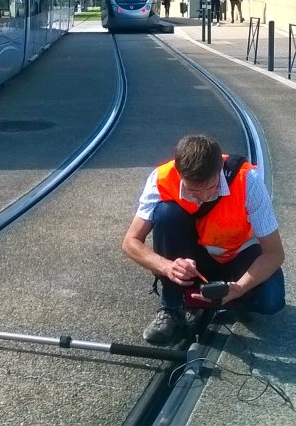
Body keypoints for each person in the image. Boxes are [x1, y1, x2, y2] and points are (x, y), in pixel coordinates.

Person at [121, 134, 286, 346]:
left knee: (271, 301)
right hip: (194, 260)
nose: (204, 197)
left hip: (237, 255)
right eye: (193, 190)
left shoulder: (248, 181)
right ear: (180, 174)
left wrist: (240, 287)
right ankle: (172, 308)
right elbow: (130, 242)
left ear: (219, 169)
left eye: (211, 188)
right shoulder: (161, 178)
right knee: (166, 214)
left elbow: (274, 253)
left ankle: (227, 299)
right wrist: (168, 267)